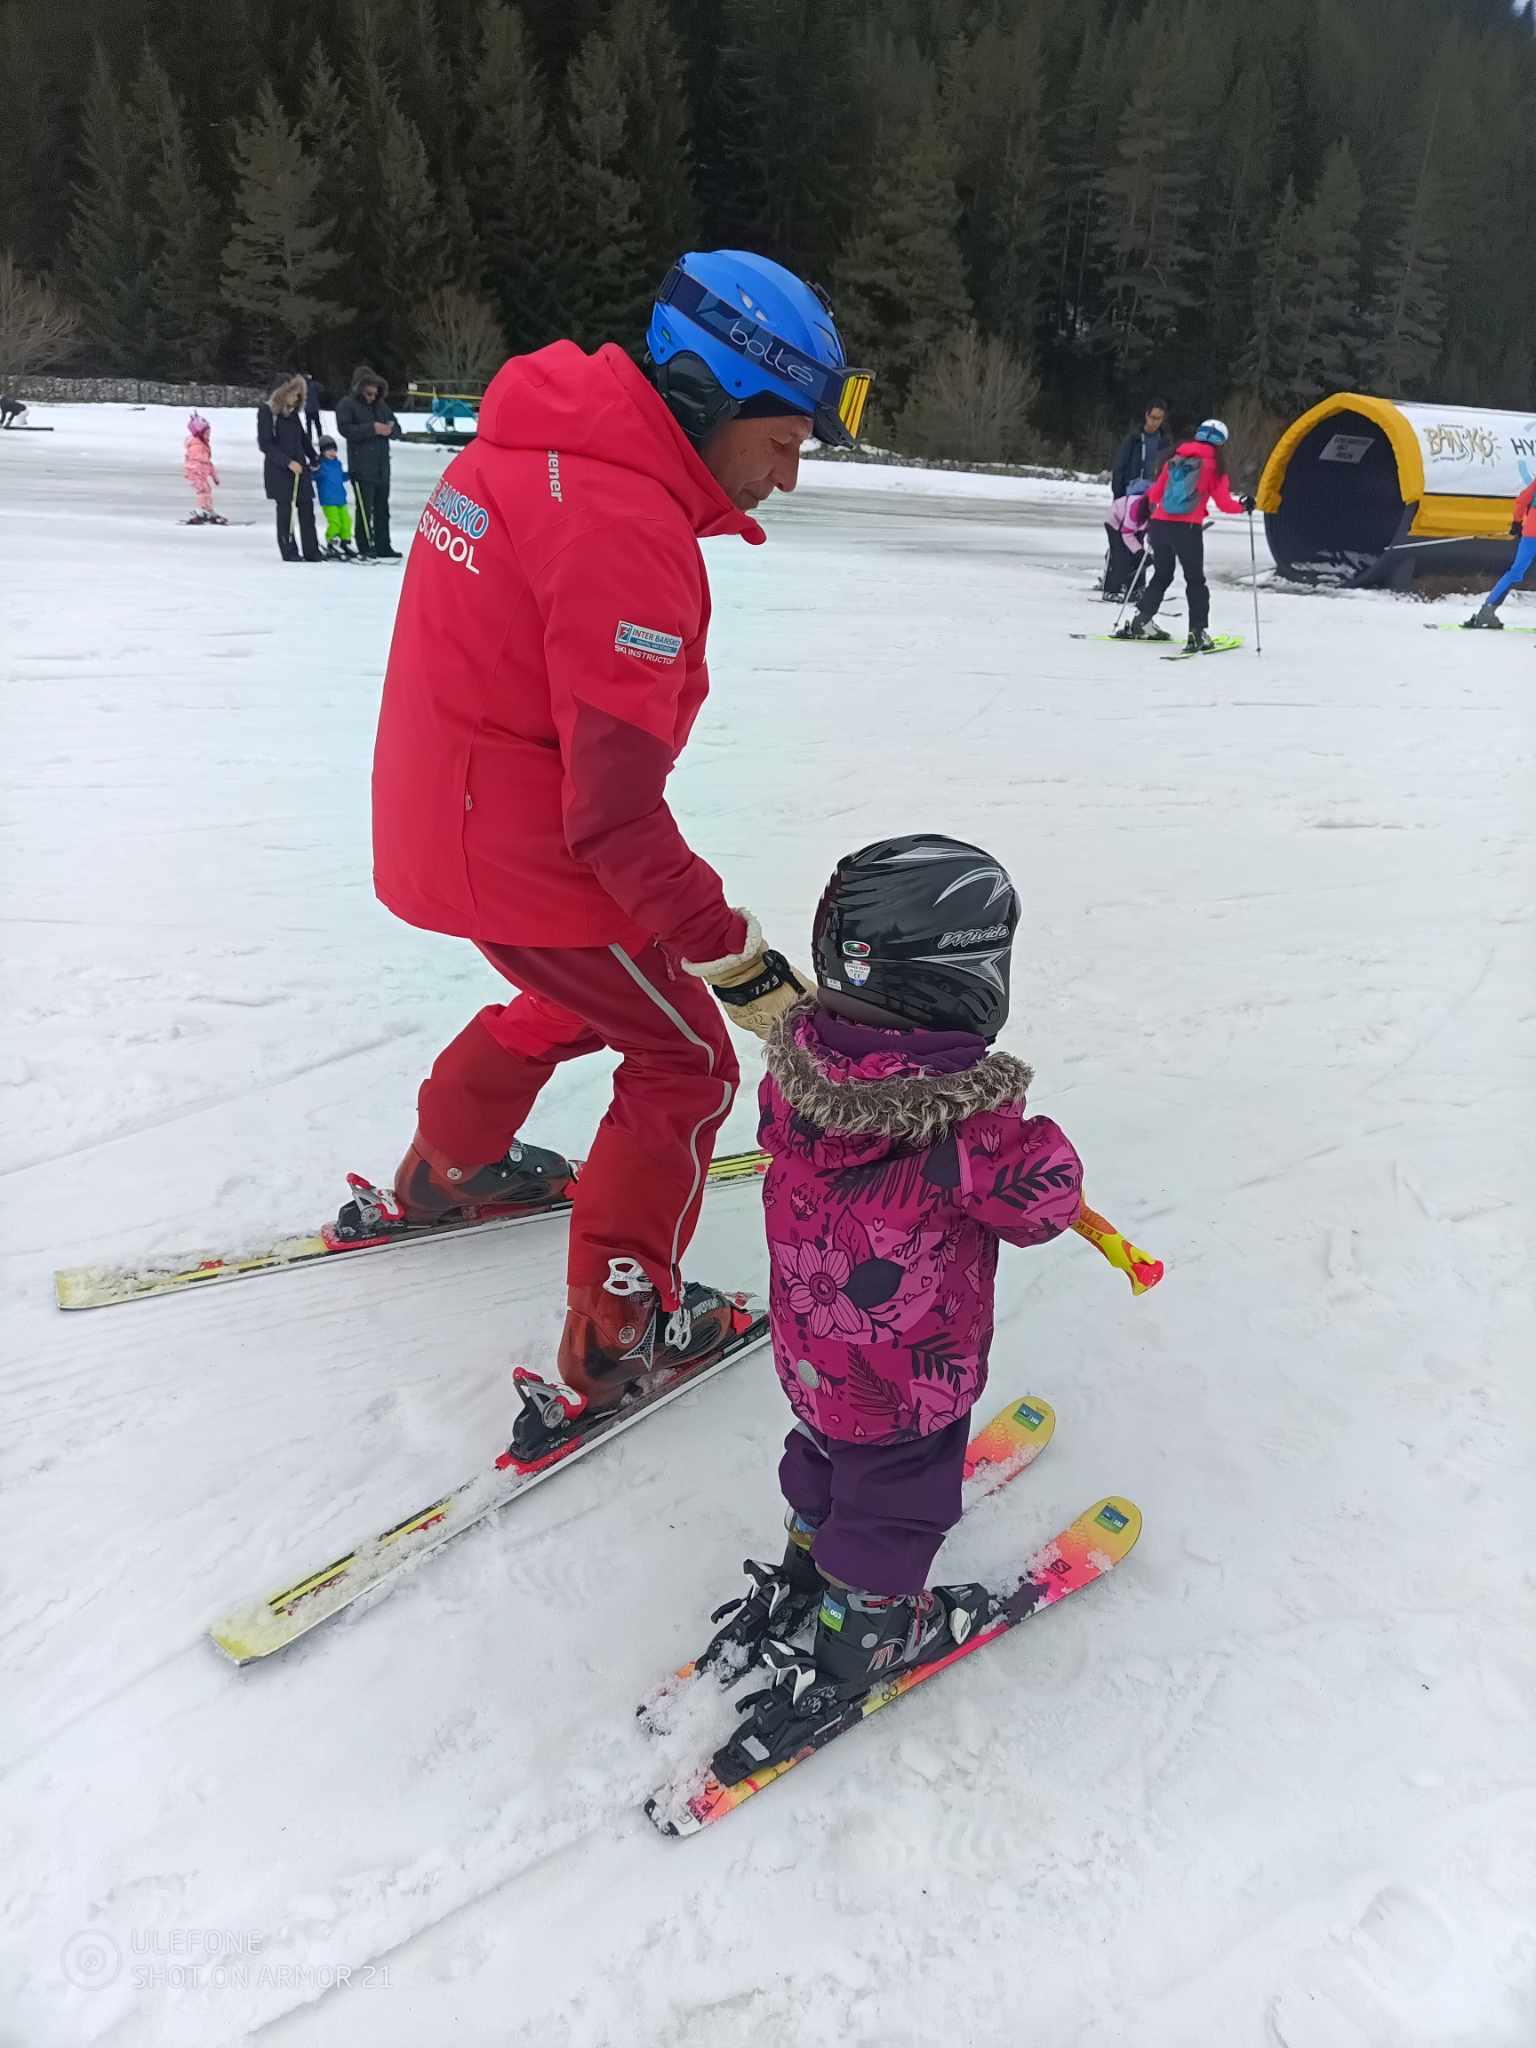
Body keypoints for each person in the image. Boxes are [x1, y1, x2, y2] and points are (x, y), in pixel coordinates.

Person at [352, 249, 875, 1463]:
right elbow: (619, 817)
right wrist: (735, 956)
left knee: (589, 991)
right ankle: (617, 1329)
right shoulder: (626, 524)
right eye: (783, 440)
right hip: (527, 848)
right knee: (687, 1057)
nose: (789, 475)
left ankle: (453, 1159)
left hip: (458, 816)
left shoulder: (539, 442)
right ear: (704, 397)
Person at [701, 833, 1085, 1785]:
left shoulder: (797, 1083)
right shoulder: (969, 1128)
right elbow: (1045, 1205)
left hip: (809, 1350)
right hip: (913, 1374)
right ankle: (863, 1633)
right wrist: (1024, 1141)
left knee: (826, 1450)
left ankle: (804, 1570)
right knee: (898, 1499)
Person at [1115, 417, 1254, 651]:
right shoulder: (1215, 465)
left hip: (1159, 525)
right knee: (1195, 580)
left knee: (1162, 575)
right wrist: (1245, 505)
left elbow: (1156, 494)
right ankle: (1198, 633)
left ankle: (1142, 622)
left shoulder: (1174, 458)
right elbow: (1224, 504)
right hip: (1187, 528)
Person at [256, 373, 323, 563]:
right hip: (280, 471)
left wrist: (314, 457)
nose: (296, 398)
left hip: (300, 469)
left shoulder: (293, 413)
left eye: (299, 395)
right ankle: (289, 549)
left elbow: (302, 438)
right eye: (293, 394)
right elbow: (265, 444)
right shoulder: (267, 412)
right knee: (285, 511)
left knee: (307, 509)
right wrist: (287, 462)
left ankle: (312, 551)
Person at [336, 365, 402, 558]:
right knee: (364, 509)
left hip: (382, 466)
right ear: (360, 389)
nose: (372, 397)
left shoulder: (381, 406)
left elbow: (396, 426)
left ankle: (383, 545)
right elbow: (346, 430)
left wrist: (391, 429)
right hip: (362, 466)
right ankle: (365, 545)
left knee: (382, 508)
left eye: (375, 393)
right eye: (369, 393)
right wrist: (372, 429)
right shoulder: (347, 404)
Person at [1466, 476, 1536, 627]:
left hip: (1531, 532)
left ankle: (1486, 613)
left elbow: (1522, 500)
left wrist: (1517, 522)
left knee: (1515, 572)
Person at [1111, 399, 1171, 500]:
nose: (1155, 422)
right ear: (1147, 415)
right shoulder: (1134, 438)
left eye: (1159, 418)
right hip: (1131, 493)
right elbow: (1119, 467)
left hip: (1154, 495)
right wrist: (1118, 495)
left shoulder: (1165, 441)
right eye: (1153, 417)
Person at [1101, 478, 1151, 601]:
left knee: (1140, 559)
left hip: (1137, 526)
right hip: (1116, 523)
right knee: (1121, 557)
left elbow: (1156, 532)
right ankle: (1112, 590)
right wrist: (1139, 551)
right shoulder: (1134, 508)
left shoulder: (1157, 508)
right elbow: (1127, 534)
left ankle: (1136, 588)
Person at [314, 436, 356, 558]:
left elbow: (340, 477)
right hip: (328, 500)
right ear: (322, 452)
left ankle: (345, 542)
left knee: (346, 521)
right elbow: (313, 476)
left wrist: (349, 475)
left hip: (340, 499)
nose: (332, 453)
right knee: (335, 522)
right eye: (329, 450)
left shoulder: (337, 464)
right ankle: (332, 542)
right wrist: (312, 470)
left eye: (334, 450)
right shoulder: (320, 465)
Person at [182, 412, 224, 525]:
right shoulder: (197, 446)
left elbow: (208, 463)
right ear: (200, 433)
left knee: (207, 490)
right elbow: (193, 462)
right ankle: (202, 511)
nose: (208, 435)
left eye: (209, 432)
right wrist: (196, 473)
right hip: (196, 474)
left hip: (201, 474)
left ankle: (208, 510)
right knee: (203, 491)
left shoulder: (203, 445)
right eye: (206, 433)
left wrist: (214, 476)